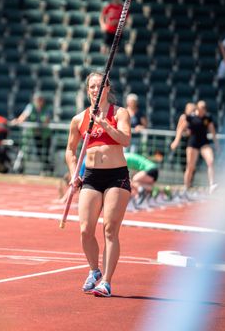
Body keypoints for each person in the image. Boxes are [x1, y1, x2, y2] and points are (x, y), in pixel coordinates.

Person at [65, 72, 131, 297]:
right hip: (91, 177)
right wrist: (74, 173)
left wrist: (104, 124)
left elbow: (125, 139)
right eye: (91, 86)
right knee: (85, 230)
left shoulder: (119, 113)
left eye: (99, 86)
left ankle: (107, 282)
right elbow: (70, 150)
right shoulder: (79, 119)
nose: (95, 90)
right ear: (87, 90)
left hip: (116, 177)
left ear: (107, 89)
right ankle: (94, 271)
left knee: (110, 229)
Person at [170, 100, 219, 194]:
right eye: (201, 108)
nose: (203, 110)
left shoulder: (207, 117)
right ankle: (186, 186)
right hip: (193, 143)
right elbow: (180, 128)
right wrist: (176, 141)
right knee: (190, 166)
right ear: (197, 108)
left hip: (204, 143)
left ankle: (212, 184)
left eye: (204, 108)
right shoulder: (191, 117)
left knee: (211, 161)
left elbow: (212, 130)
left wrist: (216, 143)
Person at [11, 93, 53, 174]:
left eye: (40, 100)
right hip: (36, 134)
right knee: (39, 153)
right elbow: (24, 116)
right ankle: (44, 170)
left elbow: (46, 120)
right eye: (36, 100)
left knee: (46, 153)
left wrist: (41, 123)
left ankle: (48, 170)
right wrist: (17, 120)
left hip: (46, 135)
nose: (38, 102)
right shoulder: (31, 106)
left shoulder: (47, 108)